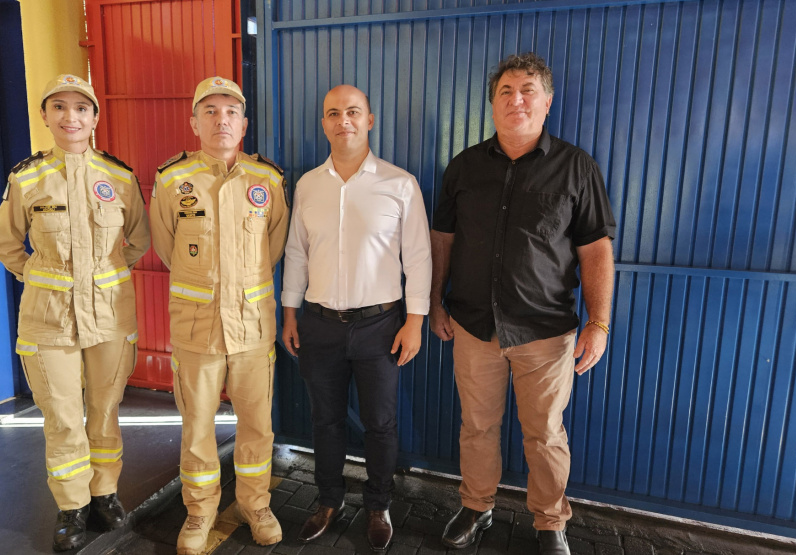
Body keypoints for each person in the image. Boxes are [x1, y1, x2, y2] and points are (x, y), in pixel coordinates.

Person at [430, 53, 616, 555]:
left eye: (528, 90)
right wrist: (434, 302)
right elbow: (442, 238)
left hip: (546, 331)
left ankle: (550, 521)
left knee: (546, 434)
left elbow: (597, 249)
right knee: (477, 427)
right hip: (472, 325)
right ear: (492, 103)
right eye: (506, 91)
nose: (517, 99)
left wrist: (598, 322)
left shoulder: (576, 167)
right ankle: (477, 505)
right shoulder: (464, 167)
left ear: (547, 102)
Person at [0, 74, 151, 551]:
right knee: (61, 415)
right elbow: (5, 244)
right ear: (45, 116)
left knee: (104, 409)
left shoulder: (119, 177)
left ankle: (103, 495)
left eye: (81, 108)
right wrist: (44, 276)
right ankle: (71, 507)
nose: (70, 117)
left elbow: (138, 240)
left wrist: (102, 276)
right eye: (58, 107)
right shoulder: (27, 178)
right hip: (48, 318)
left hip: (109, 316)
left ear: (95, 117)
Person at [281, 85, 432, 552]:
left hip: (381, 327)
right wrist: (290, 313)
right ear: (323, 124)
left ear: (370, 120)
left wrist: (416, 321)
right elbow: (296, 254)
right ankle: (329, 500)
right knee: (325, 421)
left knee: (379, 423)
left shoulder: (399, 183)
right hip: (320, 324)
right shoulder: (307, 185)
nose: (342, 120)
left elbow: (420, 258)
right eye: (332, 113)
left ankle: (378, 505)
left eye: (352, 112)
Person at [149, 76, 290, 555]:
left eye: (231, 111)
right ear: (194, 122)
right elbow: (168, 250)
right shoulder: (172, 180)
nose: (221, 119)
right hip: (197, 329)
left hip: (251, 328)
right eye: (210, 111)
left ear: (244, 123)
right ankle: (200, 511)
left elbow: (273, 247)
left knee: (257, 425)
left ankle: (256, 504)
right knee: (197, 427)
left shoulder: (267, 180)